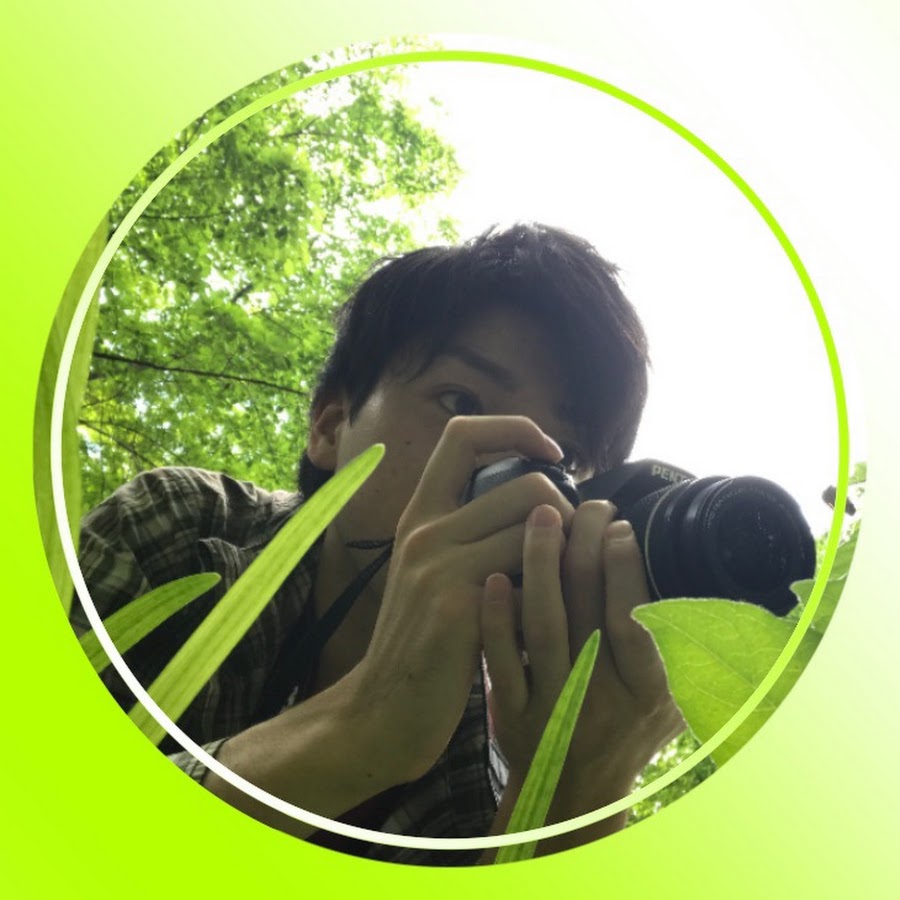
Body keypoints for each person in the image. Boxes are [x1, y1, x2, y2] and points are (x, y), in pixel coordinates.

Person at [73, 223, 684, 865]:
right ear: (331, 427)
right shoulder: (182, 534)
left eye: (571, 458)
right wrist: (362, 723)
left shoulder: (504, 752)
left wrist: (574, 786)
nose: (524, 477)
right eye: (461, 400)